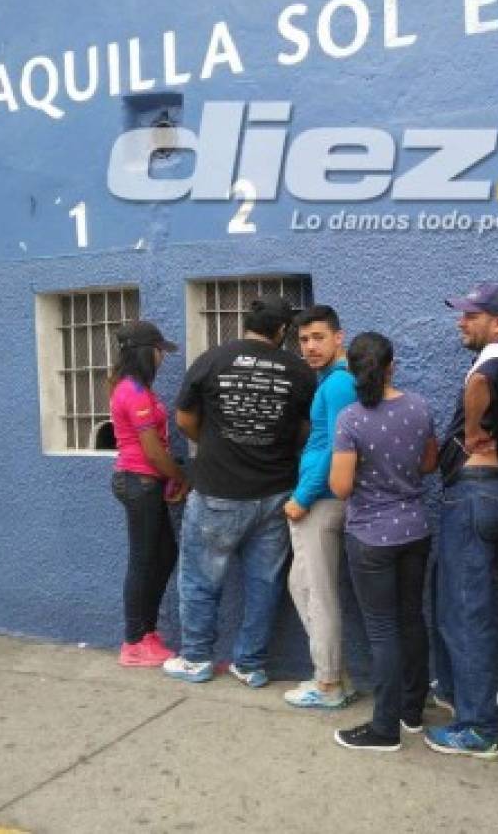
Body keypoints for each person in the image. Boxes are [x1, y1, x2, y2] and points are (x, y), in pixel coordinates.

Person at [163, 297, 316, 687]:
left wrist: (217, 444)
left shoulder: (212, 359)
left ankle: (196, 658)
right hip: (276, 492)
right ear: (282, 331)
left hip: (217, 490)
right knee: (264, 583)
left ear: (246, 323)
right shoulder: (299, 371)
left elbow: (184, 419)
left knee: (200, 579)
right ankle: (250, 664)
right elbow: (304, 430)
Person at [425, 282, 498, 760]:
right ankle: (460, 699)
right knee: (458, 606)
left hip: (476, 495)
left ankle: (478, 727)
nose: (462, 321)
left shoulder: (496, 359)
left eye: (472, 315)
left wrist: (472, 431)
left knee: (466, 612)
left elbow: (478, 386)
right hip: (494, 495)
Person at [329, 333, 437, 751]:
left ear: (353, 370)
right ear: (392, 365)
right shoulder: (420, 407)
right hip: (415, 530)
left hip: (371, 537)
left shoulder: (351, 419)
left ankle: (384, 727)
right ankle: (412, 711)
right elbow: (428, 464)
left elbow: (339, 487)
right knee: (412, 620)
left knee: (382, 630)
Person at [282, 305, 359, 709]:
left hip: (322, 501)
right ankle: (334, 674)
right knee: (303, 586)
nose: (310, 347)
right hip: (320, 496)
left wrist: (302, 497)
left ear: (338, 337)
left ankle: (328, 684)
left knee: (319, 594)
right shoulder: (330, 381)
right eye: (304, 340)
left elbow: (335, 447)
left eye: (318, 338)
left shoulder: (338, 384)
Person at [109, 321, 186, 668]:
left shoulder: (139, 388)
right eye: (159, 351)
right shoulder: (134, 393)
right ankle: (134, 641)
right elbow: (153, 452)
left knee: (165, 553)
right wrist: (181, 476)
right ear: (146, 352)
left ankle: (147, 632)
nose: (162, 358)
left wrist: (168, 478)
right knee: (143, 560)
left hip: (146, 480)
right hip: (139, 481)